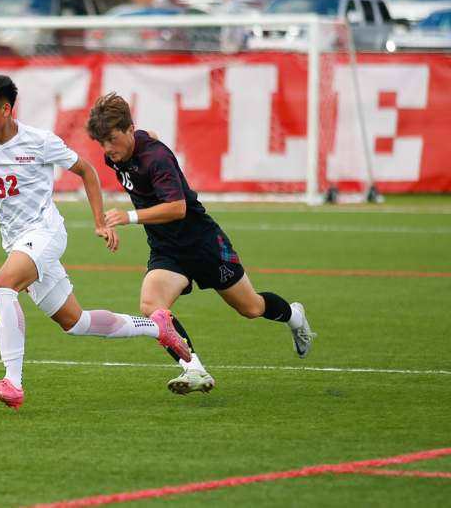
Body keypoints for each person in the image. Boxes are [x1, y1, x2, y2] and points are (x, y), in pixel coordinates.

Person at [0, 75, 191, 410]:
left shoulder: (38, 141)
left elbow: (87, 171)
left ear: (5, 109)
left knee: (3, 285)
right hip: (17, 241)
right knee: (76, 322)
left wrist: (98, 222)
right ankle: (156, 328)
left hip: (45, 233)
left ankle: (12, 383)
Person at [85, 92, 315, 395]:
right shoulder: (118, 153)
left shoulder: (157, 159)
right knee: (152, 307)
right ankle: (193, 369)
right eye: (102, 142)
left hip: (203, 244)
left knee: (250, 307)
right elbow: (146, 136)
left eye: (112, 140)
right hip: (166, 250)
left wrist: (127, 217)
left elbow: (177, 208)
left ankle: (294, 316)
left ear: (129, 129)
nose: (107, 149)